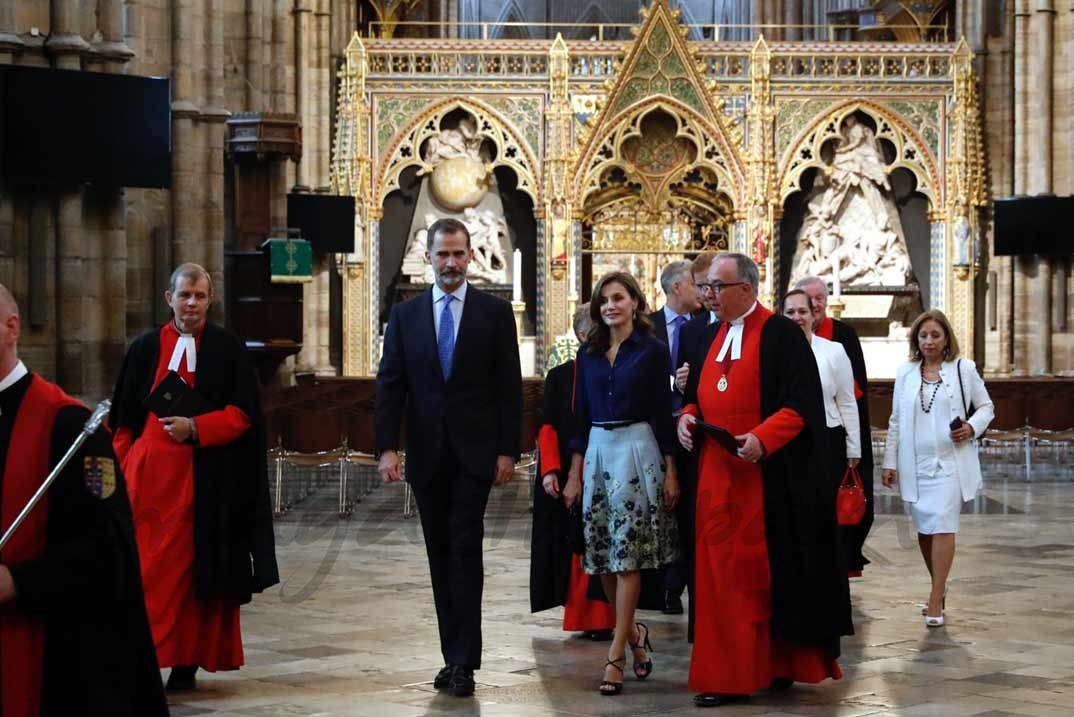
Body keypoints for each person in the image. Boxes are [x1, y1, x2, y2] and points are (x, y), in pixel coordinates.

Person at [678, 254, 852, 708]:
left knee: (763, 576)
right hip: (716, 478)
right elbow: (698, 394)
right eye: (708, 287)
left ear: (747, 288)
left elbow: (802, 406)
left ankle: (774, 665)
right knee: (719, 579)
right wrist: (688, 417)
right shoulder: (705, 335)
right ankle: (728, 672)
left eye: (718, 286)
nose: (710, 295)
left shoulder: (780, 335)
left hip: (767, 480)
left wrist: (761, 438)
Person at [109, 263, 279, 692]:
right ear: (169, 298)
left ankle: (185, 661)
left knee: (191, 576)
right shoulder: (145, 347)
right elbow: (123, 419)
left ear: (210, 299)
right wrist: (126, 466)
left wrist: (197, 429)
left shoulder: (227, 348)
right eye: (185, 295)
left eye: (200, 296)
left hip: (204, 484)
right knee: (144, 573)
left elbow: (243, 415)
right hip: (147, 484)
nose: (192, 304)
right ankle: (142, 658)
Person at [0, 283, 168, 716]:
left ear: (11, 326)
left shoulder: (70, 428)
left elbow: (107, 550)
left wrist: (18, 581)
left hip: (40, 656)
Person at [375, 217, 523, 698]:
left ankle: (464, 660)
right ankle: (451, 656)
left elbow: (508, 389)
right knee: (439, 555)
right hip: (427, 454)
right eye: (443, 254)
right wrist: (386, 447)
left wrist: (507, 450)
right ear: (429, 257)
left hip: (476, 453)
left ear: (471, 257)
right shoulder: (407, 315)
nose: (451, 262)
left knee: (464, 550)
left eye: (459, 254)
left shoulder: (495, 314)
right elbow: (391, 386)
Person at [562, 271, 680, 696]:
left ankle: (615, 654)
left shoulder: (652, 352)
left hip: (637, 449)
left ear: (635, 302)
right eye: (604, 301)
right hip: (597, 451)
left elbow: (663, 413)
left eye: (618, 298)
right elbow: (579, 417)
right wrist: (574, 472)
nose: (611, 306)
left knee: (627, 556)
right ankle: (634, 634)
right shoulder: (589, 354)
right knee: (604, 559)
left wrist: (671, 469)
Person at [881, 309, 993, 627]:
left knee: (943, 524)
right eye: (923, 335)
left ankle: (934, 601)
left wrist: (971, 427)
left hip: (950, 463)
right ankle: (939, 586)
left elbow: (986, 406)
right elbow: (896, 420)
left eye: (935, 335)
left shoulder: (963, 369)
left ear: (946, 340)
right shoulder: (905, 373)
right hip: (916, 464)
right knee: (925, 530)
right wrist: (890, 462)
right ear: (916, 339)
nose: (928, 341)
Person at [531, 303, 616, 640]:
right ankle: (588, 616)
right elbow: (548, 426)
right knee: (576, 545)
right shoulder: (562, 375)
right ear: (583, 334)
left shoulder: (615, 369)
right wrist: (551, 470)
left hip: (610, 465)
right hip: (569, 468)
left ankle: (609, 615)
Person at [797, 276, 875, 577]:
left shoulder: (841, 336)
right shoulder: (784, 336)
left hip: (834, 428)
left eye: (819, 298)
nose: (814, 305)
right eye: (808, 299)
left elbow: (853, 392)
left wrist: (854, 444)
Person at [647, 259, 700, 615]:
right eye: (696, 284)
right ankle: (660, 584)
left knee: (688, 509)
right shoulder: (646, 327)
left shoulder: (703, 327)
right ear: (677, 287)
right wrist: (671, 384)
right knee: (659, 508)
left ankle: (679, 585)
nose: (702, 290)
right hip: (654, 430)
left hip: (693, 431)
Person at [782, 290, 861, 502]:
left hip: (827, 437)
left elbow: (846, 401)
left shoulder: (833, 351)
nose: (797, 317)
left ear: (812, 315)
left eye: (802, 311)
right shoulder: (775, 352)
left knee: (824, 504)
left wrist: (854, 448)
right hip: (786, 439)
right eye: (790, 312)